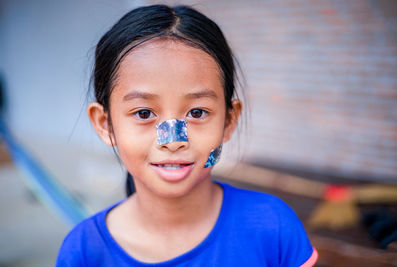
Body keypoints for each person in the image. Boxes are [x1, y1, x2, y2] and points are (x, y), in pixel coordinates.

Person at [56, 4, 318, 266]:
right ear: (106, 124)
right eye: (144, 113)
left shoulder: (273, 226)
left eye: (197, 112)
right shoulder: (84, 251)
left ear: (228, 120)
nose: (172, 141)